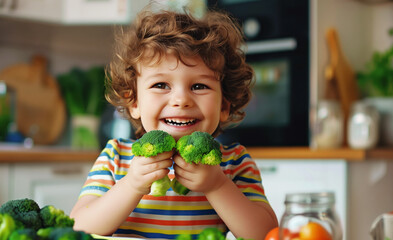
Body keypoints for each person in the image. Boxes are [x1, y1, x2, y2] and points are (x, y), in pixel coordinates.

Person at [70, 8, 278, 240]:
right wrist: (132, 184)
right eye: (161, 85)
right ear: (134, 102)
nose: (181, 100)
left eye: (199, 86)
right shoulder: (115, 157)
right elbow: (78, 229)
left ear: (224, 107)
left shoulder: (234, 162)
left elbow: (266, 234)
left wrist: (217, 185)